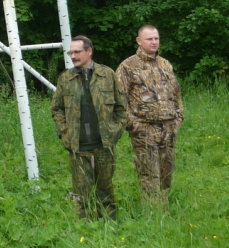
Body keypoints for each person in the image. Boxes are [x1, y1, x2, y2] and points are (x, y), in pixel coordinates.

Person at [51, 35, 128, 220]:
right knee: (81, 194)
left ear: (89, 51)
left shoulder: (107, 75)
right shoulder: (65, 79)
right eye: (71, 52)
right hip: (78, 147)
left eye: (77, 51)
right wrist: (65, 134)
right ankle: (85, 227)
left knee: (106, 191)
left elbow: (121, 107)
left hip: (104, 144)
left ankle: (110, 225)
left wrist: (115, 131)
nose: (73, 56)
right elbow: (56, 109)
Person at [116, 25, 184, 206]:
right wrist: (131, 123)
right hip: (144, 128)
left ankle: (164, 206)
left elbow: (176, 92)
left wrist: (178, 116)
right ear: (139, 41)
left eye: (156, 38)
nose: (154, 42)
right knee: (148, 172)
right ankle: (153, 212)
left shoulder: (165, 64)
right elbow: (118, 98)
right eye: (149, 39)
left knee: (166, 170)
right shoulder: (127, 66)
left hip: (168, 127)